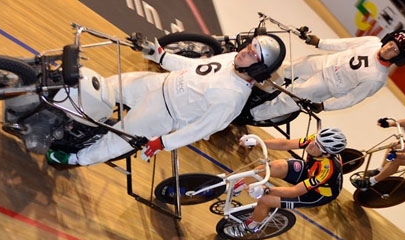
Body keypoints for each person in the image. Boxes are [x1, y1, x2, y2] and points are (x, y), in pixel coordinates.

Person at [46, 34, 286, 166]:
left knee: (117, 139)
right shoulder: (233, 58)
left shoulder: (232, 99)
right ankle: (65, 116)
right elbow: (193, 65)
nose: (245, 51)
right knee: (106, 87)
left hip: (162, 115)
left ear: (259, 69)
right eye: (250, 46)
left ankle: (77, 159)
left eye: (253, 54)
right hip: (158, 83)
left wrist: (163, 143)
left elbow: (200, 130)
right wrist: (160, 56)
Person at [248, 29, 405, 121]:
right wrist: (320, 43)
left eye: (394, 49)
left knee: (291, 99)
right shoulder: (372, 41)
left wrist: (326, 106)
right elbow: (344, 43)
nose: (388, 48)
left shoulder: (377, 79)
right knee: (285, 70)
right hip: (322, 62)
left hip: (326, 85)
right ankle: (254, 92)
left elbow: (352, 98)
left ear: (399, 57)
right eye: (390, 43)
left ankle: (254, 114)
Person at [226, 127, 347, 236]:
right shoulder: (316, 141)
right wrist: (257, 142)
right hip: (309, 171)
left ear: (326, 154)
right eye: (315, 140)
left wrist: (265, 190)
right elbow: (285, 144)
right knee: (269, 167)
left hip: (316, 194)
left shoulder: (327, 170)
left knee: (265, 199)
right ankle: (236, 187)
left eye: (317, 146)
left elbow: (294, 191)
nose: (311, 145)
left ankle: (250, 227)